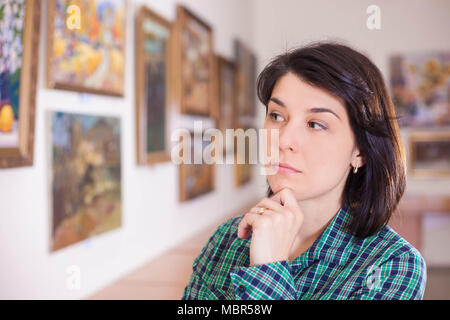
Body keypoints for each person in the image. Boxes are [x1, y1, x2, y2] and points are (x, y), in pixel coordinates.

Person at [181, 41, 427, 300]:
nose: (284, 140)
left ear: (361, 151)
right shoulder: (226, 240)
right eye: (276, 116)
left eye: (315, 124)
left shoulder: (392, 264)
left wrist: (268, 270)